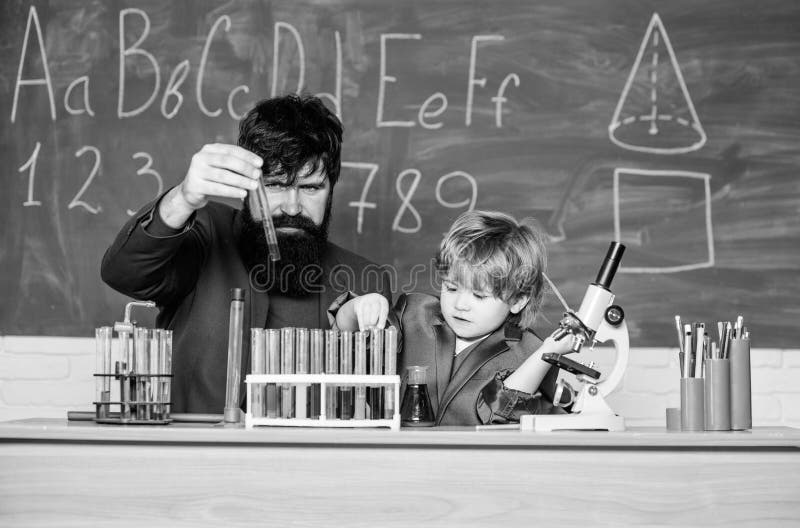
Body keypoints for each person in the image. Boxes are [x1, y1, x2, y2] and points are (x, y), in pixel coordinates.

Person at [101, 94, 391, 414]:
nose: (292, 206)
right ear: (248, 184)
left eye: (310, 188)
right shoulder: (205, 233)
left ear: (331, 188)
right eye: (276, 185)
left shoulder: (365, 280)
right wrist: (183, 198)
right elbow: (123, 272)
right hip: (196, 458)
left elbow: (381, 410)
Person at [335, 210, 572, 426]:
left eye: (479, 296)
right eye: (450, 288)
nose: (459, 305)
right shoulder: (414, 315)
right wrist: (358, 307)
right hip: (397, 460)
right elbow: (348, 338)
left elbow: (502, 415)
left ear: (518, 300)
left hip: (471, 468)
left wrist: (544, 356)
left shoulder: (529, 353)